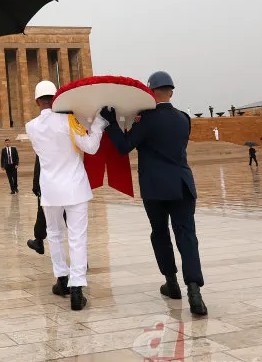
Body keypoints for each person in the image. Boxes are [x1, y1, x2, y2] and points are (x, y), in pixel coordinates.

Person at [101, 71, 207, 315]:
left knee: (160, 234)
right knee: (187, 237)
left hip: (155, 188)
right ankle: (194, 292)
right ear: (171, 91)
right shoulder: (184, 119)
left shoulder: (146, 119)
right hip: (182, 185)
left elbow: (124, 147)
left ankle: (171, 283)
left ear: (150, 92)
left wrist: (110, 123)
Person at [26, 80, 107, 311]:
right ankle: (77, 288)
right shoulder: (69, 120)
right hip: (74, 188)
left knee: (54, 234)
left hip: (50, 190)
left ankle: (61, 280)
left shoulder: (31, 126)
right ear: (57, 97)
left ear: (36, 101)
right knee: (77, 237)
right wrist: (98, 125)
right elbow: (90, 147)